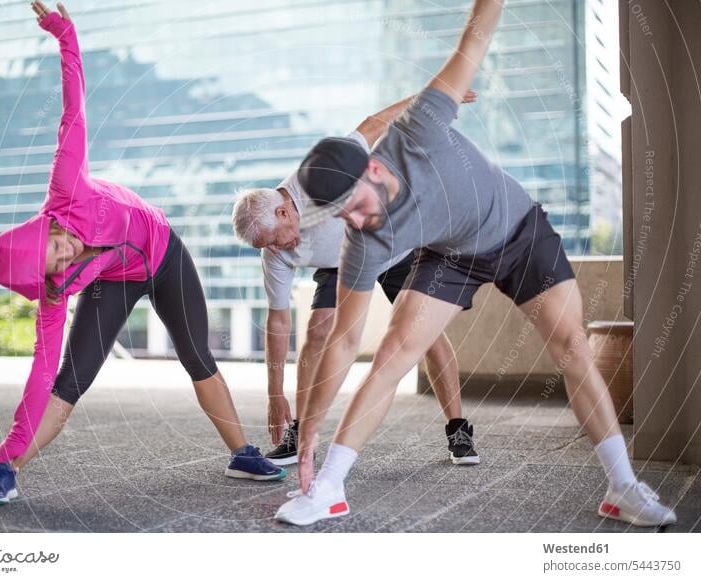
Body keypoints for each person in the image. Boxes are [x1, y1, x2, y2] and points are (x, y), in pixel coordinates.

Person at [275, 0, 677, 527]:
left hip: (517, 230)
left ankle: (623, 487)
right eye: (339, 215)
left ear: (374, 167)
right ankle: (328, 488)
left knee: (572, 345)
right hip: (452, 255)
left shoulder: (419, 126)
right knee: (393, 352)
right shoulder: (362, 240)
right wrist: (309, 428)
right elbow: (344, 342)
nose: (355, 220)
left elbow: (474, 41)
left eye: (355, 204)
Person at [0, 1, 284, 506]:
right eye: (58, 263)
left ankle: (242, 453)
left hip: (163, 252)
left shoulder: (65, 187)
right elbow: (39, 378)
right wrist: (4, 456)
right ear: (50, 279)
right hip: (113, 280)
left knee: (197, 355)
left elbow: (73, 109)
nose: (67, 251)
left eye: (56, 242)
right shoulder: (55, 294)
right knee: (69, 383)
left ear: (46, 226)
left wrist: (65, 36)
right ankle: (5, 472)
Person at [231, 89, 481, 468]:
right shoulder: (274, 251)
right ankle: (301, 432)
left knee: (425, 332)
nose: (278, 251)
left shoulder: (319, 173)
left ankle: (458, 428)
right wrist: (273, 394)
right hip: (342, 261)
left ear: (284, 212)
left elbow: (373, 124)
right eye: (268, 248)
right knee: (317, 330)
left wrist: (437, 98)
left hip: (391, 241)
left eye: (275, 241)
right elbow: (278, 321)